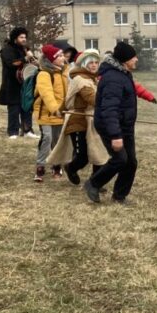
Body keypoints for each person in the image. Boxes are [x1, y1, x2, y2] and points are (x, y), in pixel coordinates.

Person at [83, 42, 140, 204]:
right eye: (133, 57)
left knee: (130, 162)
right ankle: (93, 183)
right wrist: (115, 135)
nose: (136, 59)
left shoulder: (123, 73)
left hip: (125, 126)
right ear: (125, 60)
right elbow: (109, 109)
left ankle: (119, 196)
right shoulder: (113, 78)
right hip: (111, 126)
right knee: (120, 159)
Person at [48, 49, 107, 186]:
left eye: (96, 62)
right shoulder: (81, 80)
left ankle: (95, 182)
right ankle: (71, 168)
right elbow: (92, 99)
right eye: (90, 62)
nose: (94, 65)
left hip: (92, 119)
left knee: (98, 151)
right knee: (83, 156)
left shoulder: (93, 79)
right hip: (78, 121)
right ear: (84, 64)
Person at [32, 43, 68, 182]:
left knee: (57, 140)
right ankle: (40, 166)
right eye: (59, 56)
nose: (62, 57)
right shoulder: (44, 74)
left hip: (61, 113)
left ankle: (56, 165)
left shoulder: (64, 72)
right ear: (51, 59)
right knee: (46, 138)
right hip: (46, 113)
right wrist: (55, 109)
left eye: (62, 55)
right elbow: (46, 93)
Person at [0, 27, 38, 139]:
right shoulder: (7, 50)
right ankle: (13, 132)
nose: (24, 39)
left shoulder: (25, 49)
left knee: (26, 107)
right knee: (14, 109)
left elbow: (32, 63)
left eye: (25, 37)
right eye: (21, 37)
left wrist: (33, 59)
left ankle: (27, 130)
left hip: (25, 84)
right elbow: (12, 64)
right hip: (12, 84)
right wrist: (25, 58)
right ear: (15, 38)